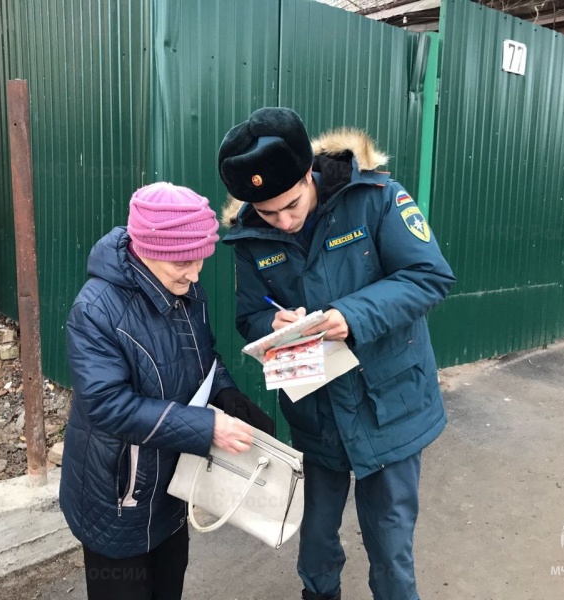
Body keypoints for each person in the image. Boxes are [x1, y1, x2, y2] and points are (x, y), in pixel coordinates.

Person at [218, 108, 456, 600]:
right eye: (268, 213)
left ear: (310, 174)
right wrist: (273, 324)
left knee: (390, 545)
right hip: (316, 414)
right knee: (317, 540)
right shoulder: (248, 237)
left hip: (388, 406)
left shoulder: (377, 198)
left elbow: (429, 277)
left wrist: (353, 315)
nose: (283, 222)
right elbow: (249, 316)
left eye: (291, 204)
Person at [59, 181, 274, 600]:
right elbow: (108, 406)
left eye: (200, 260)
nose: (196, 274)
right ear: (148, 248)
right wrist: (207, 427)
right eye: (185, 261)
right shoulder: (95, 310)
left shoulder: (187, 291)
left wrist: (226, 395)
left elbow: (203, 358)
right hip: (118, 497)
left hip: (173, 486)